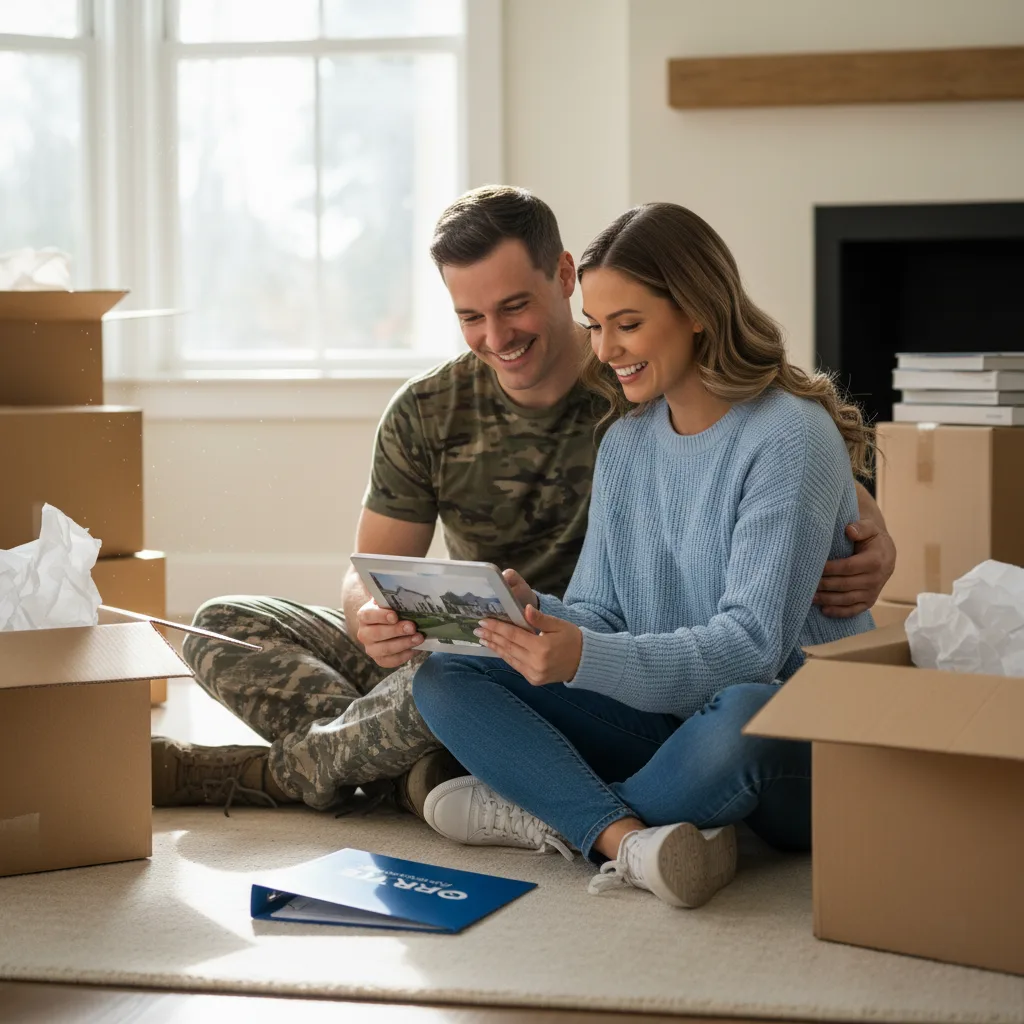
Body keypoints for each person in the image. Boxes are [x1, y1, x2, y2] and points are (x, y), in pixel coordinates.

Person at [152, 188, 893, 819]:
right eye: (470, 316)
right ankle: (442, 778)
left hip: (623, 679)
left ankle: (524, 797)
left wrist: (875, 534)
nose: (496, 336)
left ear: (563, 277)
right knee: (263, 634)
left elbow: (794, 521)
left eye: (514, 307)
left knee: (737, 716)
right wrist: (430, 615)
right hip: (549, 660)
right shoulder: (592, 428)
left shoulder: (646, 399)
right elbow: (386, 568)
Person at [411, 202, 876, 910]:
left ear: (696, 311)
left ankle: (556, 810)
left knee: (744, 712)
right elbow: (601, 613)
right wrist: (535, 614)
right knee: (447, 673)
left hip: (794, 738)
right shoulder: (626, 443)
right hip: (670, 725)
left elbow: (751, 651)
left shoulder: (789, 436)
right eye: (596, 325)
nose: (605, 350)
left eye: (627, 325)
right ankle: (627, 838)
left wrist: (583, 657)